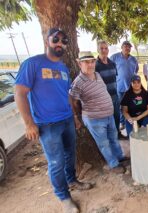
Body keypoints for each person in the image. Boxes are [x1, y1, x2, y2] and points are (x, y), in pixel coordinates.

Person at [14, 28, 92, 212]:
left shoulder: (63, 68)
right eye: (55, 39)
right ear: (47, 40)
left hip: (66, 120)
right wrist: (29, 123)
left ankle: (72, 180)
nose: (60, 43)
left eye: (64, 41)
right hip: (47, 125)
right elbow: (19, 93)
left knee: (70, 155)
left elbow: (66, 95)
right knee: (56, 162)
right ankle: (64, 197)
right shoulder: (33, 64)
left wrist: (74, 116)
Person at [70, 51, 126, 174]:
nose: (90, 65)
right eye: (86, 62)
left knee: (113, 138)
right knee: (104, 143)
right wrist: (76, 116)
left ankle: (120, 157)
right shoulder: (78, 82)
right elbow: (73, 100)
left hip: (109, 115)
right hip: (95, 119)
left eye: (92, 61)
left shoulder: (97, 75)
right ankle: (114, 164)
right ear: (80, 64)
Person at [95, 40, 126, 140]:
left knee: (117, 117)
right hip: (103, 98)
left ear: (108, 50)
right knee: (106, 120)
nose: (104, 50)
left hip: (114, 96)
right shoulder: (95, 65)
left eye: (106, 48)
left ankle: (118, 134)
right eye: (101, 48)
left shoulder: (112, 63)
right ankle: (109, 138)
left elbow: (114, 79)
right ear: (98, 50)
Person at [110, 41, 139, 131]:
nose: (127, 48)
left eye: (129, 47)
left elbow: (136, 71)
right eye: (125, 46)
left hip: (130, 88)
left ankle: (129, 123)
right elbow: (110, 69)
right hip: (119, 87)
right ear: (122, 47)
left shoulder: (133, 59)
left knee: (130, 106)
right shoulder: (114, 57)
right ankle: (122, 123)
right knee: (120, 106)